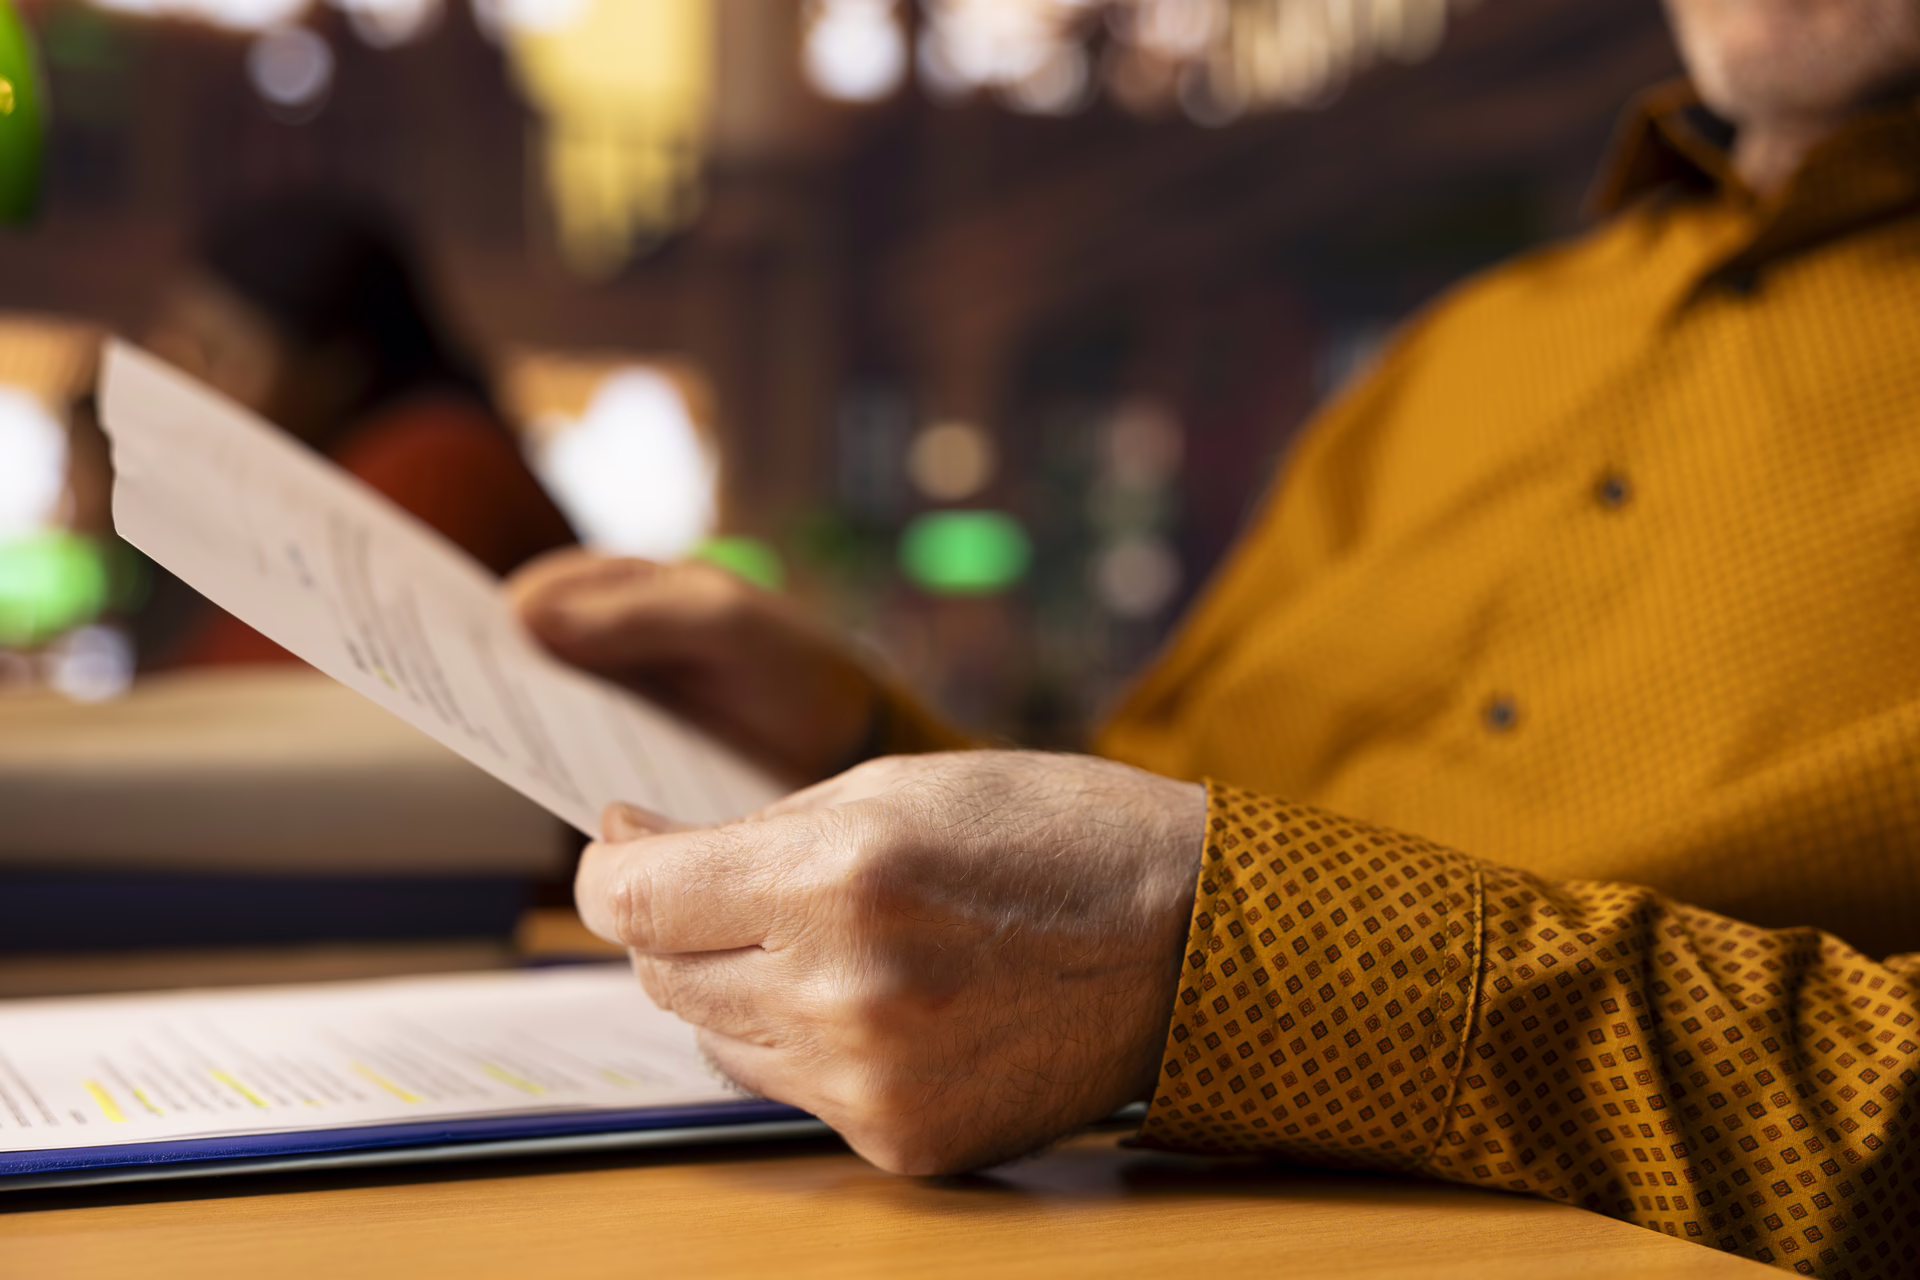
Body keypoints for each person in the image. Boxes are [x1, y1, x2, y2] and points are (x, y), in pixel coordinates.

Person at [508, 1, 1920, 1275]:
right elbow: (1163, 818)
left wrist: (1233, 961)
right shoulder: (1473, 349)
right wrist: (852, 740)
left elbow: (1184, 915)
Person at [148, 194, 574, 665]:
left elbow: (261, 691)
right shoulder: (298, 498)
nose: (190, 388)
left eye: (220, 357)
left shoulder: (436, 462)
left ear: (337, 373)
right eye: (176, 351)